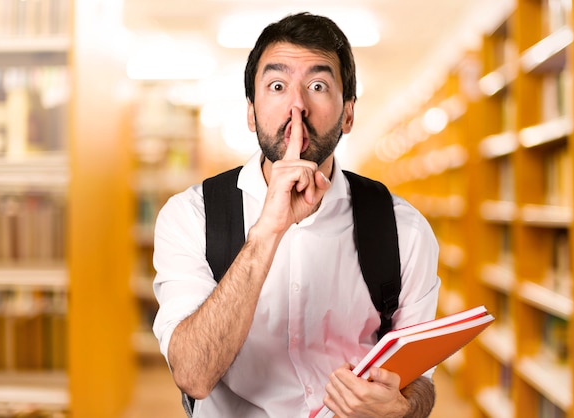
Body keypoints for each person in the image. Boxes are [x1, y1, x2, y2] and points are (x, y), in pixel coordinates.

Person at [152, 12, 441, 418]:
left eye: (318, 85)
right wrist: (268, 231)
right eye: (277, 85)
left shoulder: (403, 229)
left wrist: (401, 409)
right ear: (251, 112)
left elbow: (421, 383)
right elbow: (193, 375)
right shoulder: (191, 217)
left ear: (348, 114)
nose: (297, 106)